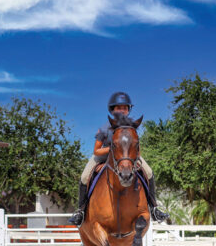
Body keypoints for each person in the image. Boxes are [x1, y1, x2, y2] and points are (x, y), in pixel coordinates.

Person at [68, 91, 169, 225]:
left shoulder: (132, 126)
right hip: (104, 156)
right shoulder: (104, 128)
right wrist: (114, 150)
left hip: (127, 158)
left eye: (125, 108)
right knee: (85, 176)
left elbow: (136, 147)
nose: (122, 110)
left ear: (128, 110)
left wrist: (134, 157)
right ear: (113, 110)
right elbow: (96, 150)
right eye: (119, 107)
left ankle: (154, 208)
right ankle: (80, 211)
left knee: (149, 172)